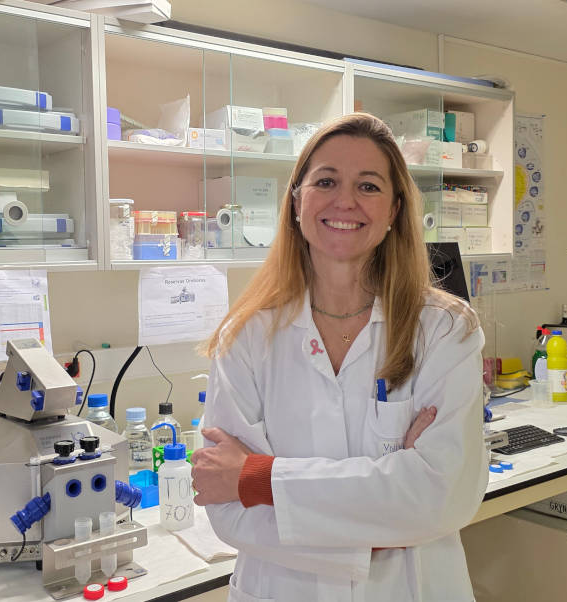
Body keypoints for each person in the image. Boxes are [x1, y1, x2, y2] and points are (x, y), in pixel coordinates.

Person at [190, 113, 486, 601]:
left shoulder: (445, 329)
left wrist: (260, 477)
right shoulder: (245, 337)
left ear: (394, 210)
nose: (345, 201)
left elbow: (444, 495)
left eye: (368, 186)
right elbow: (227, 506)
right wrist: (375, 537)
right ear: (296, 203)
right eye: (325, 181)